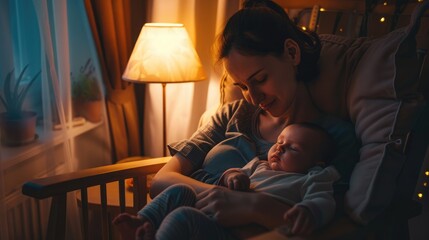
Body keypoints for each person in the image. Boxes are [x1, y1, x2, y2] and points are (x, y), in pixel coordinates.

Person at [148, 0, 359, 237]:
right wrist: (224, 196)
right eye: (243, 87)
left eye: (259, 80)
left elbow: (331, 221)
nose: (253, 97)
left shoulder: (335, 137)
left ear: (292, 53)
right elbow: (162, 180)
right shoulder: (231, 115)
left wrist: (253, 206)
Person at [113, 123, 339, 239]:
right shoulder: (259, 165)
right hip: (215, 211)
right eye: (279, 141)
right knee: (181, 190)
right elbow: (232, 175)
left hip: (235, 234)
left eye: (293, 148)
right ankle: (143, 222)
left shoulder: (314, 177)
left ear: (315, 163)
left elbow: (323, 200)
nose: (280, 148)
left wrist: (309, 211)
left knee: (184, 218)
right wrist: (233, 176)